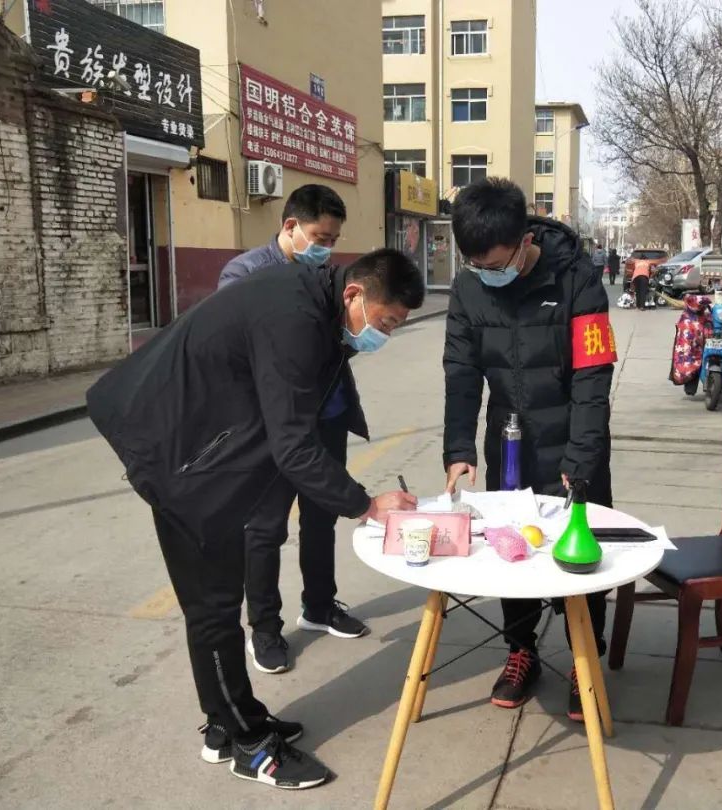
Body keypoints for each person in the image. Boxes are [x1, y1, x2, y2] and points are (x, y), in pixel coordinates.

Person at [87, 249, 423, 791]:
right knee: (214, 607)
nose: (384, 335)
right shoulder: (295, 317)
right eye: (385, 323)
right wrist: (366, 505)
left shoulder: (315, 306)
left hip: (201, 443)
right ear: (354, 294)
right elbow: (294, 445)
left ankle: (230, 723)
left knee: (217, 598)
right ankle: (247, 745)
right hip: (175, 452)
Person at [443, 177, 615, 722]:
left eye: (495, 264)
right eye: (475, 265)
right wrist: (458, 447)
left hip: (575, 439)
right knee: (511, 550)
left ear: (523, 242)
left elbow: (594, 375)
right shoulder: (469, 287)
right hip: (510, 444)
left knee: (580, 556)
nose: (486, 274)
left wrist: (582, 455)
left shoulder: (578, 280)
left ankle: (585, 660)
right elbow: (461, 372)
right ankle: (521, 651)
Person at [218, 185, 368, 678]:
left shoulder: (327, 278)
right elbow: (236, 354)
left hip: (328, 416)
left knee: (322, 517)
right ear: (291, 226)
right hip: (275, 426)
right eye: (321, 238)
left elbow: (339, 343)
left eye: (334, 240)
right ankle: (264, 627)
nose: (327, 248)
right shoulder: (245, 275)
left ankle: (319, 605)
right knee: (266, 527)